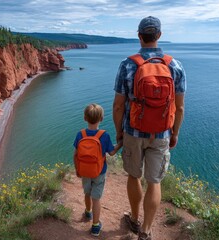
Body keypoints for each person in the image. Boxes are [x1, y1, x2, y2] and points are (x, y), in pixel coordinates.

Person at [113, 16, 186, 240]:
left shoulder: (127, 64)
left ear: (139, 36)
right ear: (159, 36)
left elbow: (118, 106)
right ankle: (145, 230)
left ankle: (134, 219)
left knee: (134, 176)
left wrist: (119, 133)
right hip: (162, 133)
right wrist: (175, 133)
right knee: (154, 182)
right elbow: (180, 107)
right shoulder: (174, 65)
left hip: (133, 132)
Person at [73, 103, 122, 237]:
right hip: (99, 172)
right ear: (101, 119)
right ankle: (95, 226)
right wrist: (120, 144)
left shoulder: (80, 134)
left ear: (85, 118)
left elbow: (75, 154)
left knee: (87, 193)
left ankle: (88, 212)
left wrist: (77, 169)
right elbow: (111, 153)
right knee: (96, 198)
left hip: (84, 171)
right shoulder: (104, 136)